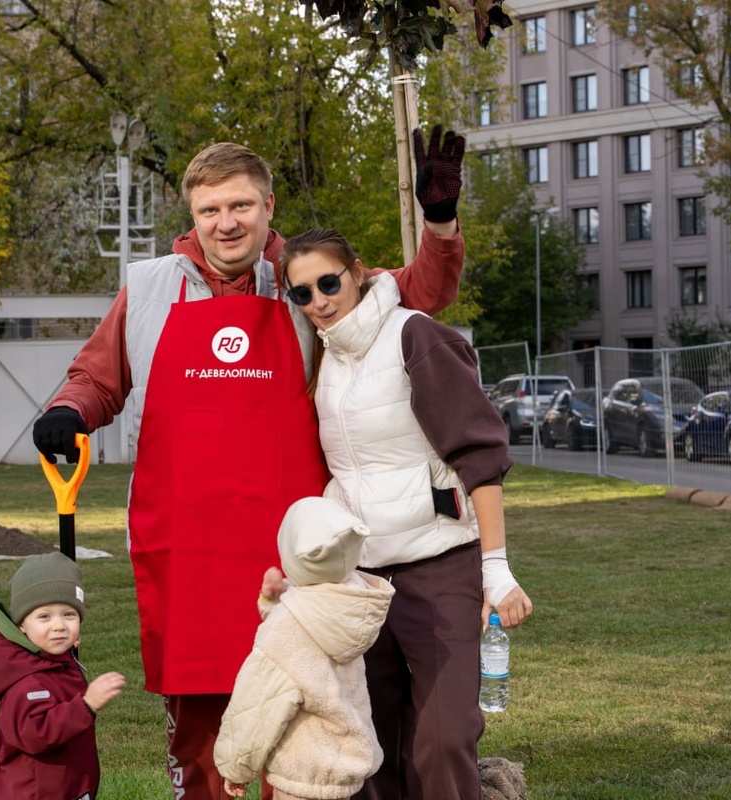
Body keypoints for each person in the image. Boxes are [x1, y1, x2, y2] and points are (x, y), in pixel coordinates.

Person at [31, 126, 467, 799]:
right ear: (193, 216)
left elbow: (417, 293)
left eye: (240, 206)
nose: (225, 223)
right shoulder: (148, 288)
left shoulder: (305, 278)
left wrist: (439, 223)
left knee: (299, 701)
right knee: (201, 714)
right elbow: (97, 375)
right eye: (210, 210)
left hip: (290, 546)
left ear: (268, 207)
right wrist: (69, 409)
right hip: (185, 544)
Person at [277, 227, 533, 800]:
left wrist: (496, 569)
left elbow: (480, 457)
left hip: (438, 567)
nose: (318, 300)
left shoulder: (414, 337)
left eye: (327, 282)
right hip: (363, 578)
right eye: (302, 293)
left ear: (359, 272)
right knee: (370, 740)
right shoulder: (324, 357)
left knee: (443, 737)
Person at [214, 496, 394, 800]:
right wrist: (274, 602)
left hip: (302, 775)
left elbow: (257, 703)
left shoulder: (287, 630)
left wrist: (236, 767)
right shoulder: (353, 601)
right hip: (345, 770)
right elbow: (308, 644)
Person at [0, 552, 127, 800]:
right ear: (21, 625)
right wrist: (86, 705)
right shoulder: (28, 681)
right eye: (44, 616)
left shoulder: (53, 662)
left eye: (69, 614)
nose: (59, 626)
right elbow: (36, 733)